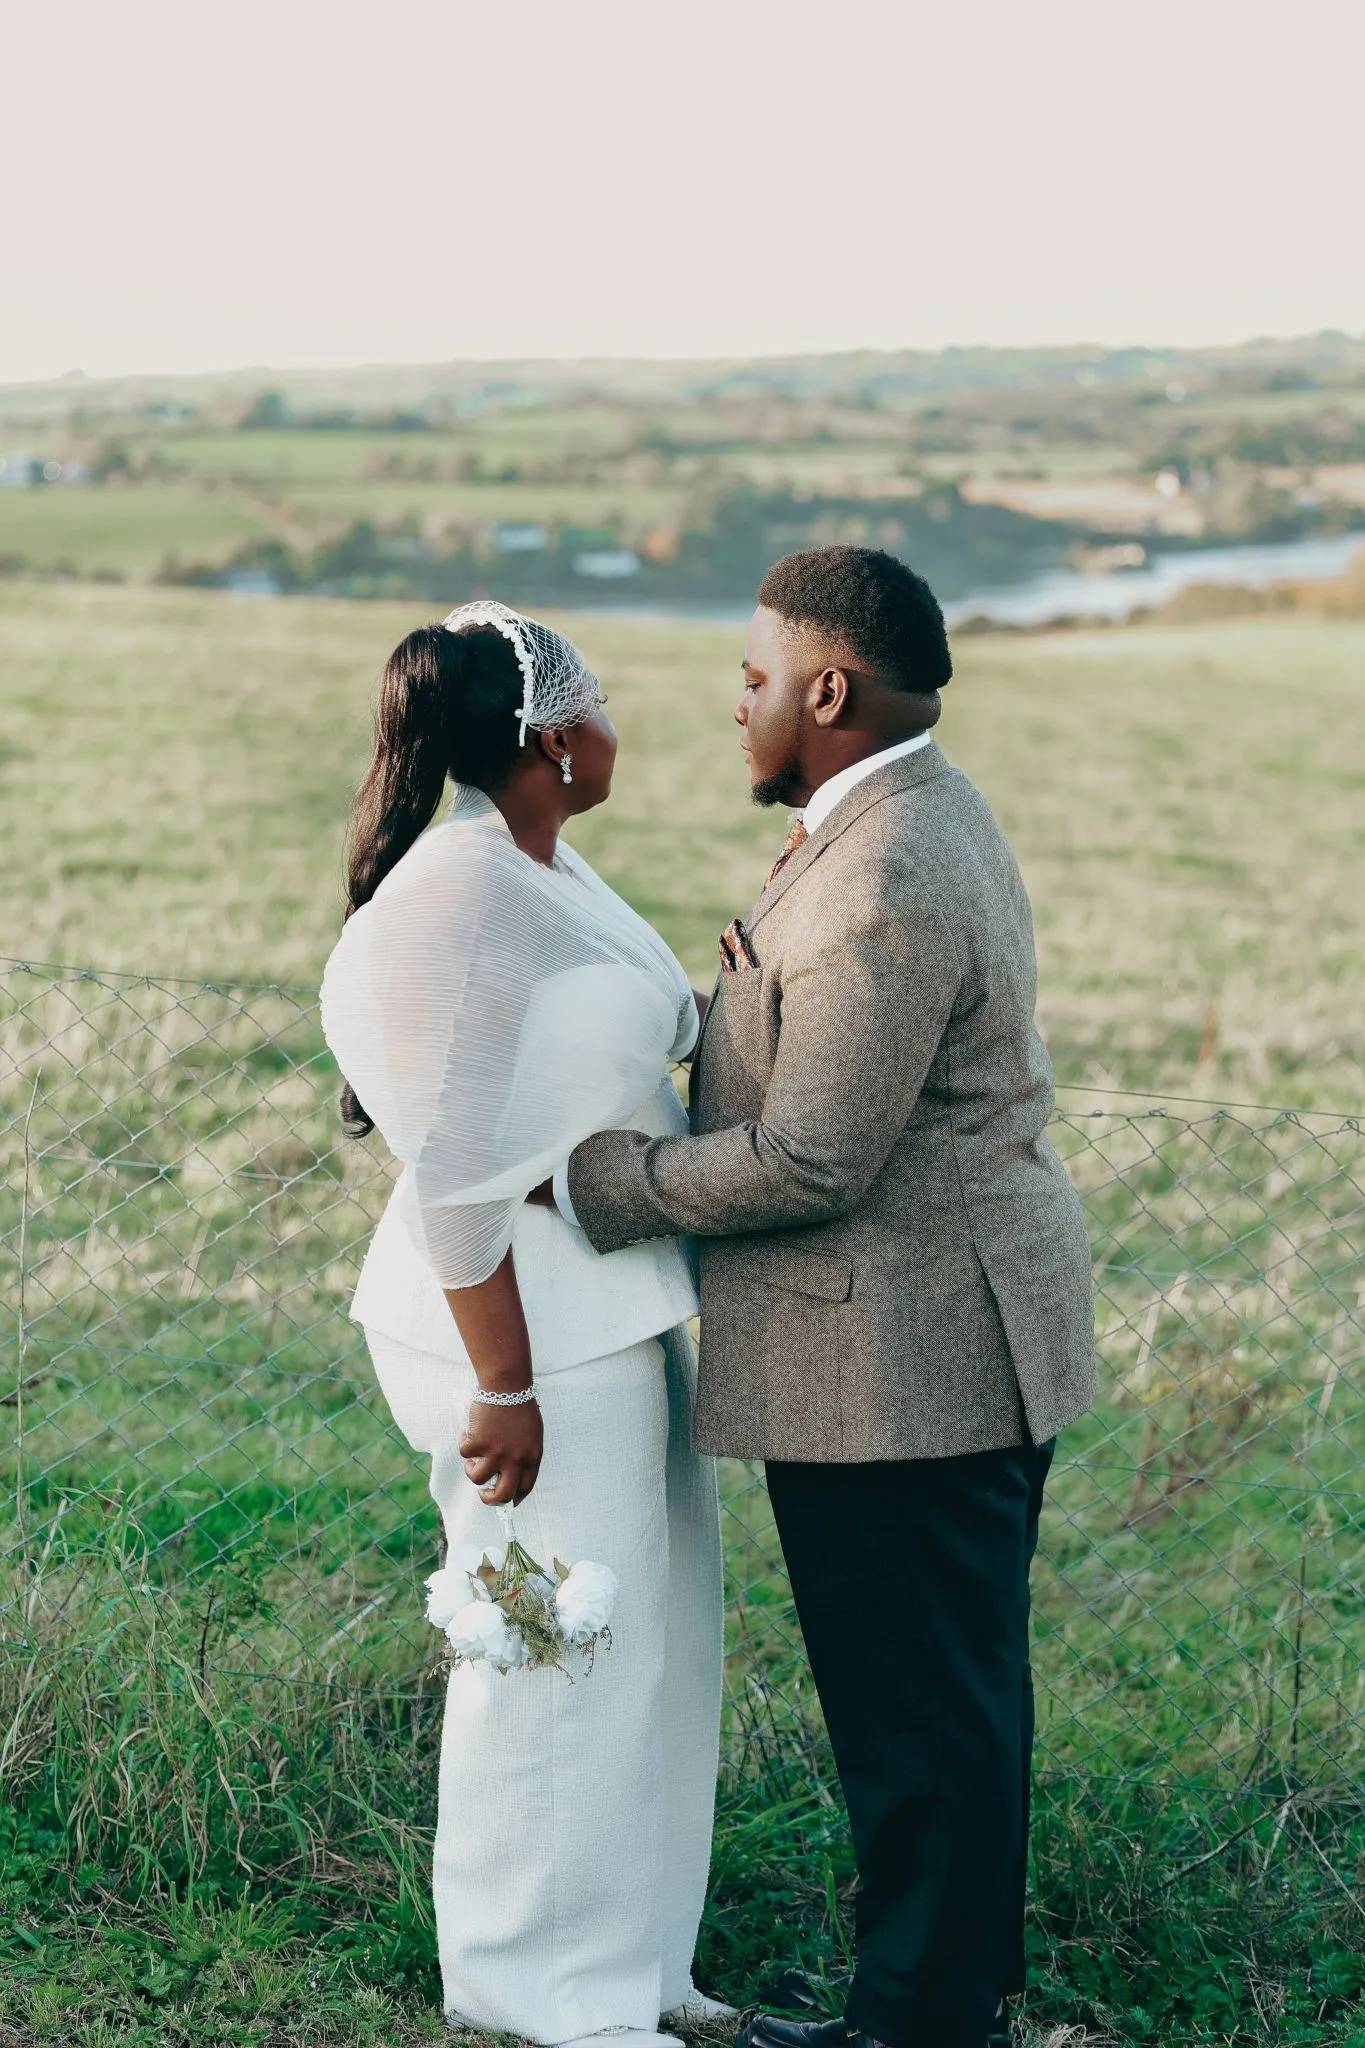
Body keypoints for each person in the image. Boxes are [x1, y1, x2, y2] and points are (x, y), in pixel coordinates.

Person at [554, 548, 1098, 2048]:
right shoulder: (891, 813)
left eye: (752, 680)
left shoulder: (887, 871)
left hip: (909, 1355)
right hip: (922, 1335)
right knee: (940, 1704)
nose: (735, 707)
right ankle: (927, 2011)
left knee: (923, 1716)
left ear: (828, 689)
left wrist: (609, 1182)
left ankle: (917, 2029)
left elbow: (812, 1159)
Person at [320, 603, 729, 2048]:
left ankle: (632, 1966)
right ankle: (535, 1988)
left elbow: (614, 1045)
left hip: (609, 1313)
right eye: (602, 699)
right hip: (521, 1336)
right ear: (556, 735)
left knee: (656, 1643)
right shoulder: (468, 898)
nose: (621, 722)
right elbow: (454, 1160)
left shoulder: (551, 866)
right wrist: (501, 1383)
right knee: (556, 1650)